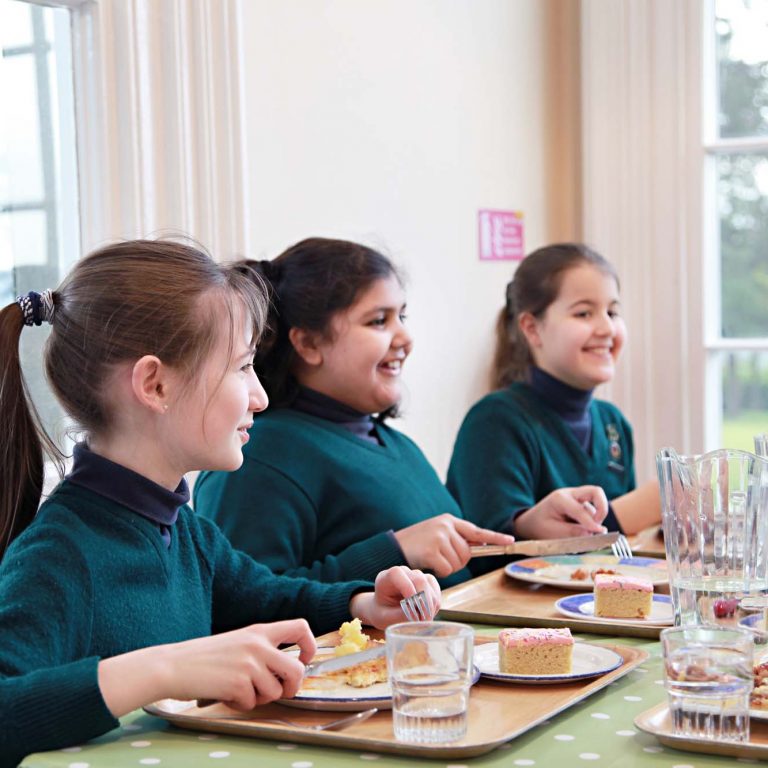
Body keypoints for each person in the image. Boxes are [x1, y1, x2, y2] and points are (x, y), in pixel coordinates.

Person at [0, 239, 439, 766]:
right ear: (156, 384)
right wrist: (164, 669)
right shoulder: (58, 557)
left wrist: (361, 603)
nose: (261, 396)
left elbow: (267, 596)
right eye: (241, 367)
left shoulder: (182, 529)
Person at [193, 237, 517, 588]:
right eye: (379, 321)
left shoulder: (396, 445)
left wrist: (524, 527)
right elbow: (246, 603)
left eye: (401, 316)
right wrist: (395, 551)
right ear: (309, 344)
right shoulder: (259, 453)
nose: (405, 337)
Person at [447, 242, 661, 546]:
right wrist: (645, 507)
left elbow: (620, 554)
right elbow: (492, 553)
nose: (606, 328)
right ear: (532, 329)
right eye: (584, 313)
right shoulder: (494, 422)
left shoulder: (613, 424)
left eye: (612, 312)